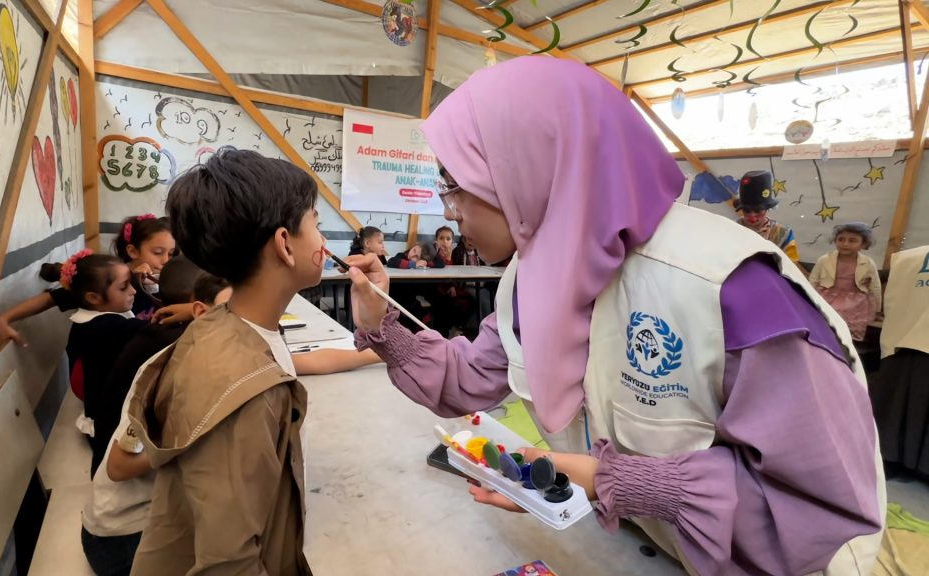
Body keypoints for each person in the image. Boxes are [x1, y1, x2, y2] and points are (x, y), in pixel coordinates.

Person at [345, 57, 884, 575]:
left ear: (528, 164)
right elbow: (472, 376)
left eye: (455, 182)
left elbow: (817, 504)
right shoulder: (531, 280)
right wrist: (382, 325)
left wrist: (619, 482)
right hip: (656, 548)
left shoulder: (732, 289)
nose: (449, 210)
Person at [128, 148, 321, 575]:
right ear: (285, 244)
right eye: (317, 224)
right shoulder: (243, 390)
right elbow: (228, 563)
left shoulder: (219, 326)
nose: (324, 242)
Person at [81, 267, 233, 576]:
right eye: (230, 314)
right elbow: (119, 466)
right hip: (125, 537)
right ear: (200, 311)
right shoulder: (177, 370)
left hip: (152, 517)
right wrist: (197, 439)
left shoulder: (208, 352)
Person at [0, 214, 176, 347]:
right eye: (157, 252)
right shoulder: (108, 280)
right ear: (133, 251)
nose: (166, 260)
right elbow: (50, 299)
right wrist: (4, 319)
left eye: (171, 253)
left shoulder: (165, 279)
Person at [43, 250, 146, 477]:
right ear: (93, 298)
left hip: (100, 405)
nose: (133, 291)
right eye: (124, 287)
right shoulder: (105, 328)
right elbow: (154, 333)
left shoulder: (92, 318)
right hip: (106, 424)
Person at [871, 244, 929, 479]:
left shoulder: (908, 258)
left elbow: (893, 302)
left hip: (902, 341)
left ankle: (890, 458)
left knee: (895, 407)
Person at [809, 223, 882, 342]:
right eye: (841, 239)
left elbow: (875, 286)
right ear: (835, 241)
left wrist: (878, 310)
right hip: (827, 297)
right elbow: (813, 280)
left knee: (843, 329)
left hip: (855, 301)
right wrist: (806, 299)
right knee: (824, 322)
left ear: (863, 244)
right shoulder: (824, 259)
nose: (845, 244)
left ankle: (844, 344)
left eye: (852, 241)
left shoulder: (868, 263)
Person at [734, 171, 801, 266]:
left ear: (767, 208)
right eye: (747, 211)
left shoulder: (783, 234)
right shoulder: (732, 229)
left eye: (758, 211)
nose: (752, 216)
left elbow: (791, 267)